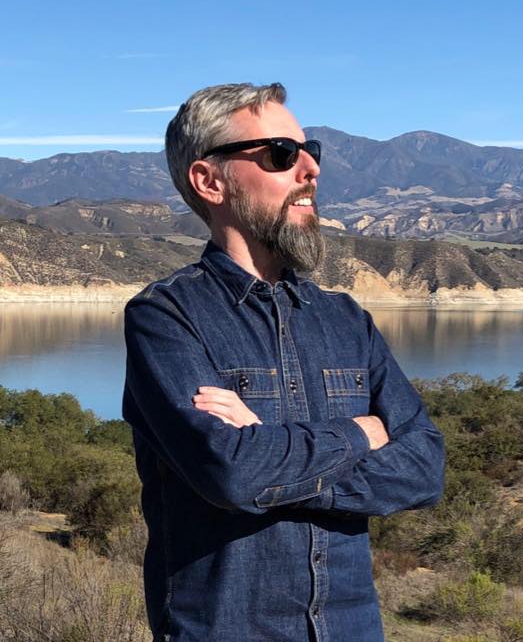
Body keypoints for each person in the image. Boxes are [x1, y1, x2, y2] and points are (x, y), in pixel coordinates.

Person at [123, 82, 444, 642]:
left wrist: (270, 454)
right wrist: (361, 434)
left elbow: (424, 469)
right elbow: (232, 473)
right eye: (281, 154)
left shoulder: (346, 319)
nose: (310, 170)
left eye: (309, 151)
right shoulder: (166, 317)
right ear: (209, 180)